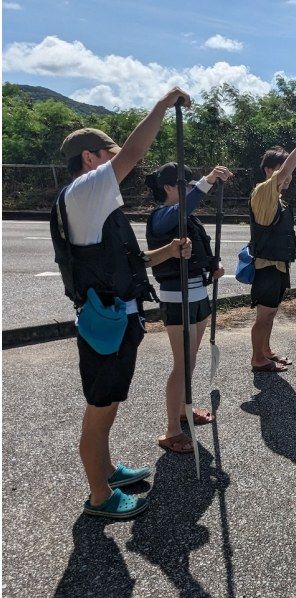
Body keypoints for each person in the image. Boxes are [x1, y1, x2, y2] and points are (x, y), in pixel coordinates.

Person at [51, 87, 193, 519]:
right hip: (106, 323)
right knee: (100, 409)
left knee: (108, 405)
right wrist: (163, 105)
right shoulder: (83, 191)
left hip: (118, 317)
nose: (119, 165)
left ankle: (108, 472)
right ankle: (99, 496)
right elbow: (133, 152)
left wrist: (169, 251)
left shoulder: (95, 202)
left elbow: (129, 261)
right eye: (108, 156)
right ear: (89, 158)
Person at [145, 163, 233, 453]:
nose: (191, 189)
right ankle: (171, 430)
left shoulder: (188, 218)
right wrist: (207, 181)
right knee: (182, 364)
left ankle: (185, 409)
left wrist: (216, 265)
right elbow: (181, 210)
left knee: (191, 361)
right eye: (185, 185)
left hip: (198, 295)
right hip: (177, 298)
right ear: (169, 188)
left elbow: (204, 251)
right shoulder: (161, 216)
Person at [249, 131, 296, 373]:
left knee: (270, 314)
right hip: (267, 266)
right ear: (268, 170)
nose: (288, 176)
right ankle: (257, 359)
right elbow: (284, 172)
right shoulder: (263, 191)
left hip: (278, 265)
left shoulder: (278, 200)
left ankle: (266, 351)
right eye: (282, 170)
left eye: (288, 172)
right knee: (264, 316)